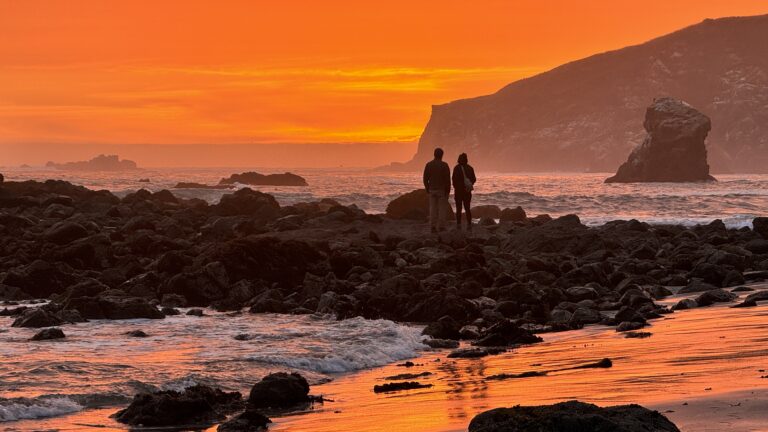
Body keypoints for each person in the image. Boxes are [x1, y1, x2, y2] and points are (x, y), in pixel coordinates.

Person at [423, 147, 451, 233]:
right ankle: (441, 227)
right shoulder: (444, 165)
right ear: (442, 155)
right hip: (441, 190)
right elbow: (447, 180)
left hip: (432, 189)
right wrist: (448, 191)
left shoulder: (429, 164)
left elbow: (425, 178)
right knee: (442, 209)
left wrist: (427, 188)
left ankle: (433, 227)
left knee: (433, 209)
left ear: (434, 154)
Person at [452, 152, 476, 230]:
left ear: (459, 159)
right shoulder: (470, 168)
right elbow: (474, 179)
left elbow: (453, 180)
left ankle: (459, 224)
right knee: (467, 208)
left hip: (458, 192)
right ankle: (469, 224)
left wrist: (456, 187)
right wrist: (469, 184)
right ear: (466, 159)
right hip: (467, 192)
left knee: (458, 209)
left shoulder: (456, 168)